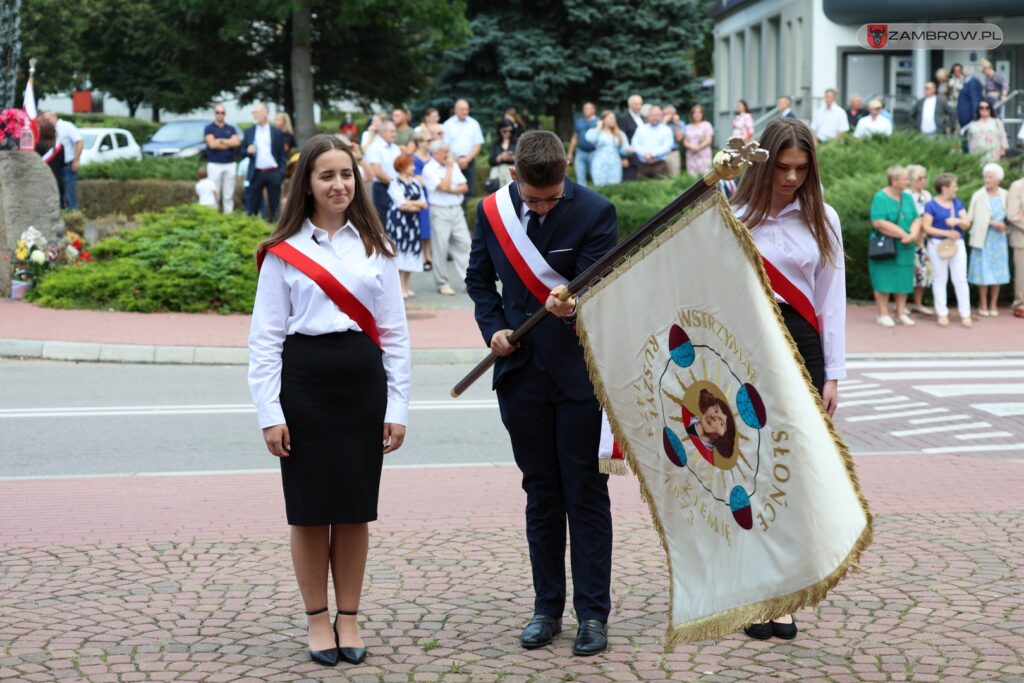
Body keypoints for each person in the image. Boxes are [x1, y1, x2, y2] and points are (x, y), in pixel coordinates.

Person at [248, 134, 410, 669]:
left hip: (363, 387)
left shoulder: (375, 246)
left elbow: (395, 333)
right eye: (327, 176)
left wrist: (398, 406)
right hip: (306, 388)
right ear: (308, 185)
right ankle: (318, 619)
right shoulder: (283, 253)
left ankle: (351, 616)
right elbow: (265, 340)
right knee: (311, 512)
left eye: (346, 174)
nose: (339, 184)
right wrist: (271, 413)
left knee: (355, 511)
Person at [465, 130, 618, 656]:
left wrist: (573, 304)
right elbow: (479, 281)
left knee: (585, 493)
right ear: (514, 178)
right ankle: (546, 608)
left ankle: (593, 615)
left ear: (566, 170)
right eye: (533, 199)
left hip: (579, 376)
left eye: (552, 197)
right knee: (541, 493)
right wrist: (493, 330)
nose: (544, 206)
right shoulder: (492, 212)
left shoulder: (597, 211)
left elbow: (603, 286)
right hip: (522, 375)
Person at [730, 118, 846, 640]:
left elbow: (831, 301)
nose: (792, 178)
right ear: (763, 164)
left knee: (790, 474)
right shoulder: (730, 216)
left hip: (802, 350)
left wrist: (835, 374)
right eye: (782, 167)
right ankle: (757, 591)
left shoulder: (824, 219)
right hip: (745, 350)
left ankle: (788, 596)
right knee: (748, 472)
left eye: (802, 168)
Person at [869, 165, 920, 327]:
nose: (908, 181)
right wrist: (902, 234)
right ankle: (883, 313)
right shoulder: (880, 197)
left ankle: (900, 312)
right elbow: (878, 222)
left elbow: (917, 218)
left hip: (906, 247)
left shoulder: (908, 197)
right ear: (894, 180)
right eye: (905, 178)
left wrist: (912, 234)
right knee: (883, 279)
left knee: (903, 280)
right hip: (887, 246)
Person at [421, 140, 471, 295]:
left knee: (465, 245)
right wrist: (449, 169)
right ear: (435, 153)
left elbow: (465, 187)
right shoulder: (429, 169)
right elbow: (442, 187)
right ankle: (442, 283)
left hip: (456, 210)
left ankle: (469, 282)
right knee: (440, 248)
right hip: (440, 211)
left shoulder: (454, 165)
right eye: (444, 152)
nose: (447, 156)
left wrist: (450, 189)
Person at [923, 173, 972, 327]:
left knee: (960, 279)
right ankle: (942, 313)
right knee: (940, 278)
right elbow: (926, 227)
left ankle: (965, 313)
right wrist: (946, 233)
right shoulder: (931, 205)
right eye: (953, 186)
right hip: (937, 245)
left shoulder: (957, 204)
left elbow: (967, 223)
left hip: (957, 244)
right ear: (944, 188)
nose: (956, 189)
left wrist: (957, 221)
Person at [967, 163, 1010, 317]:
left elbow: (1011, 214)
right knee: (983, 271)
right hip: (983, 238)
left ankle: (994, 304)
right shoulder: (978, 195)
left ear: (998, 179)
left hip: (999, 239)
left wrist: (1005, 224)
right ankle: (983, 303)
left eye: (990, 177)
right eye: (986, 176)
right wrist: (992, 223)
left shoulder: (1005, 194)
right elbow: (971, 218)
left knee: (998, 271)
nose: (987, 179)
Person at [386, 154, 426, 298]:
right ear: (402, 167)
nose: (413, 168)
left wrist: (411, 203)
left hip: (413, 223)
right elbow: (400, 204)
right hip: (398, 223)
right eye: (410, 165)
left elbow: (424, 203)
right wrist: (414, 204)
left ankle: (406, 286)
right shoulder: (395, 183)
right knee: (399, 252)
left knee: (411, 252)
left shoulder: (416, 183)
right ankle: (399, 288)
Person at [242, 103, 287, 221]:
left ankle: (275, 233)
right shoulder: (249, 131)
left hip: (273, 171)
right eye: (254, 112)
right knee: (252, 206)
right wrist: (248, 151)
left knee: (275, 206)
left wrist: (281, 172)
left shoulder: (276, 132)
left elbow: (282, 154)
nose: (254, 115)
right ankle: (253, 231)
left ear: (266, 113)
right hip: (256, 172)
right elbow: (242, 151)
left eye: (257, 112)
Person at [40, 111, 83, 210]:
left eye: (47, 120)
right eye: (44, 120)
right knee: (59, 195)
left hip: (68, 165)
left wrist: (76, 160)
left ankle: (73, 214)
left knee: (70, 193)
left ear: (54, 117)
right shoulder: (48, 129)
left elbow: (79, 142)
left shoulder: (67, 126)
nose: (46, 122)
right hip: (56, 167)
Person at [442, 99, 485, 198]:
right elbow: (445, 145)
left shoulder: (474, 124)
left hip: (469, 161)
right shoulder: (447, 124)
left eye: (466, 109)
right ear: (455, 110)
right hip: (452, 161)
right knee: (454, 186)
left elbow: (477, 144)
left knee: (470, 189)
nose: (465, 112)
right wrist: (456, 160)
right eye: (462, 109)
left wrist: (466, 159)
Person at [907, 165, 934, 316]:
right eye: (919, 178)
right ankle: (902, 304)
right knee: (908, 271)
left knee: (922, 270)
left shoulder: (927, 195)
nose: (923, 181)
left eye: (924, 178)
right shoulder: (906, 195)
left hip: (924, 238)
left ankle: (918, 303)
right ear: (911, 180)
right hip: (909, 237)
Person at [205, 104, 241, 213]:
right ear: (214, 113)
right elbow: (212, 144)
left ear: (225, 114)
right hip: (214, 164)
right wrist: (228, 142)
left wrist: (220, 140)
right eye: (217, 112)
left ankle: (228, 218)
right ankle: (214, 217)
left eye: (222, 112)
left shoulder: (231, 128)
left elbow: (236, 142)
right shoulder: (209, 128)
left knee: (228, 195)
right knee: (214, 193)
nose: (220, 114)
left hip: (229, 163)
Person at [365, 121, 401, 227]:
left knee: (396, 220)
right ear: (382, 133)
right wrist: (395, 182)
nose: (395, 134)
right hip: (382, 188)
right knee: (384, 222)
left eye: (395, 131)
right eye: (392, 131)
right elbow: (377, 172)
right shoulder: (375, 148)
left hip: (396, 186)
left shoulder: (395, 148)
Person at [585, 110, 630, 187]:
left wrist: (628, 151)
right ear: (604, 120)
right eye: (611, 118)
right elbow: (589, 138)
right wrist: (598, 127)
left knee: (614, 185)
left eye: (614, 118)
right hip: (600, 162)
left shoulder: (619, 133)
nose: (613, 120)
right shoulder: (598, 132)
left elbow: (624, 148)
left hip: (614, 163)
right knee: (600, 185)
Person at [630, 105, 674, 179]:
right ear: (648, 116)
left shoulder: (666, 129)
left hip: (660, 165)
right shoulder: (641, 128)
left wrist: (652, 155)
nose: (655, 117)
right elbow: (634, 144)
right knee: (640, 188)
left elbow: (667, 146)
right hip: (642, 165)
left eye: (657, 115)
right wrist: (645, 154)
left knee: (661, 188)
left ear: (661, 116)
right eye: (652, 115)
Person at [411, 129, 434, 272]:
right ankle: (422, 256)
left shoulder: (432, 155)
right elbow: (416, 177)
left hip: (432, 194)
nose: (430, 143)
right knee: (422, 226)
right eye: (427, 140)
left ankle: (428, 255)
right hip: (421, 194)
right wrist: (431, 181)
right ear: (419, 142)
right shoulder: (414, 158)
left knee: (430, 226)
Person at [567, 102, 598, 187]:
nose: (585, 110)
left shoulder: (598, 122)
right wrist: (570, 153)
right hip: (581, 152)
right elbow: (575, 137)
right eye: (584, 109)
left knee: (596, 176)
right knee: (580, 178)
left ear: (593, 110)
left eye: (588, 108)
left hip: (594, 153)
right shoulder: (579, 121)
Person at [1006, 173, 1024, 318]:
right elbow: (1012, 214)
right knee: (1022, 273)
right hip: (1021, 238)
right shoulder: (1017, 186)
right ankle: (1020, 304)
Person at [34, 119, 64, 203]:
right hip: (57, 180)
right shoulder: (60, 147)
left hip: (41, 180)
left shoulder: (36, 146)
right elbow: (62, 163)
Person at [617, 94, 645, 181]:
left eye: (640, 104)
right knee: (630, 181)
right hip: (630, 157)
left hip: (642, 156)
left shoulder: (642, 117)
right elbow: (620, 137)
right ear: (630, 105)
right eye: (637, 104)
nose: (639, 106)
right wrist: (623, 157)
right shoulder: (623, 118)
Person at [683, 104, 714, 175]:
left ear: (702, 114)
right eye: (695, 113)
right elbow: (685, 141)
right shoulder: (687, 127)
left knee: (705, 177)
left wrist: (698, 147)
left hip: (704, 156)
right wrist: (692, 147)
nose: (697, 115)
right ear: (692, 115)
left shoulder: (707, 125)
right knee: (692, 179)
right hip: (691, 157)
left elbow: (709, 140)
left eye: (699, 112)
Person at [489, 119, 518, 189]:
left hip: (512, 170)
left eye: (510, 131)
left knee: (506, 169)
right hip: (498, 171)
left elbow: (522, 159)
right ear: (500, 130)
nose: (508, 133)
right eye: (505, 131)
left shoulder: (517, 142)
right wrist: (501, 157)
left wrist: (512, 158)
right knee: (503, 168)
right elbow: (491, 161)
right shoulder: (495, 143)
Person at [957, 66, 983, 130]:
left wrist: (975, 113)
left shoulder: (973, 81)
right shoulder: (967, 81)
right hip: (965, 115)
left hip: (968, 116)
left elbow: (975, 98)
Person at [662, 104, 685, 178]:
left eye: (667, 114)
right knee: (662, 176)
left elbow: (679, 138)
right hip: (661, 153)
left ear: (674, 114)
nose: (665, 116)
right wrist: (664, 122)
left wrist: (676, 124)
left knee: (674, 176)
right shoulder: (660, 124)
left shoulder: (680, 123)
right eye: (664, 114)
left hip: (673, 152)